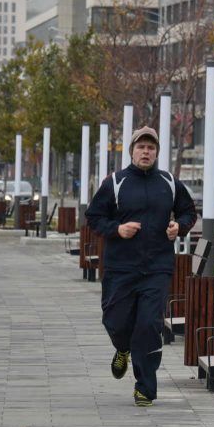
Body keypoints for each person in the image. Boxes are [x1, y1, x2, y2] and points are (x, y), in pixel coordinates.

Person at [85, 125, 197, 407]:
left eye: (151, 148)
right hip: (121, 268)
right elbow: (94, 216)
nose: (146, 152)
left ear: (156, 152)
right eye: (141, 147)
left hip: (157, 268)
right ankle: (122, 348)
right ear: (132, 150)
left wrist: (178, 227)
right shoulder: (115, 182)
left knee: (149, 325)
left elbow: (188, 212)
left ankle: (145, 388)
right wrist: (117, 229)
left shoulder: (169, 182)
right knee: (116, 320)